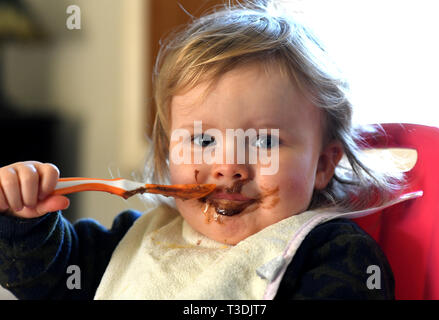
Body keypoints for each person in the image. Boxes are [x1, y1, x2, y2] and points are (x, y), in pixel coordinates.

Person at [0, 1, 403, 299]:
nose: (229, 166)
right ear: (168, 151)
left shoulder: (335, 256)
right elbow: (47, 278)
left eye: (263, 141)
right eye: (204, 140)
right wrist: (25, 221)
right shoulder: (136, 241)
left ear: (322, 164)